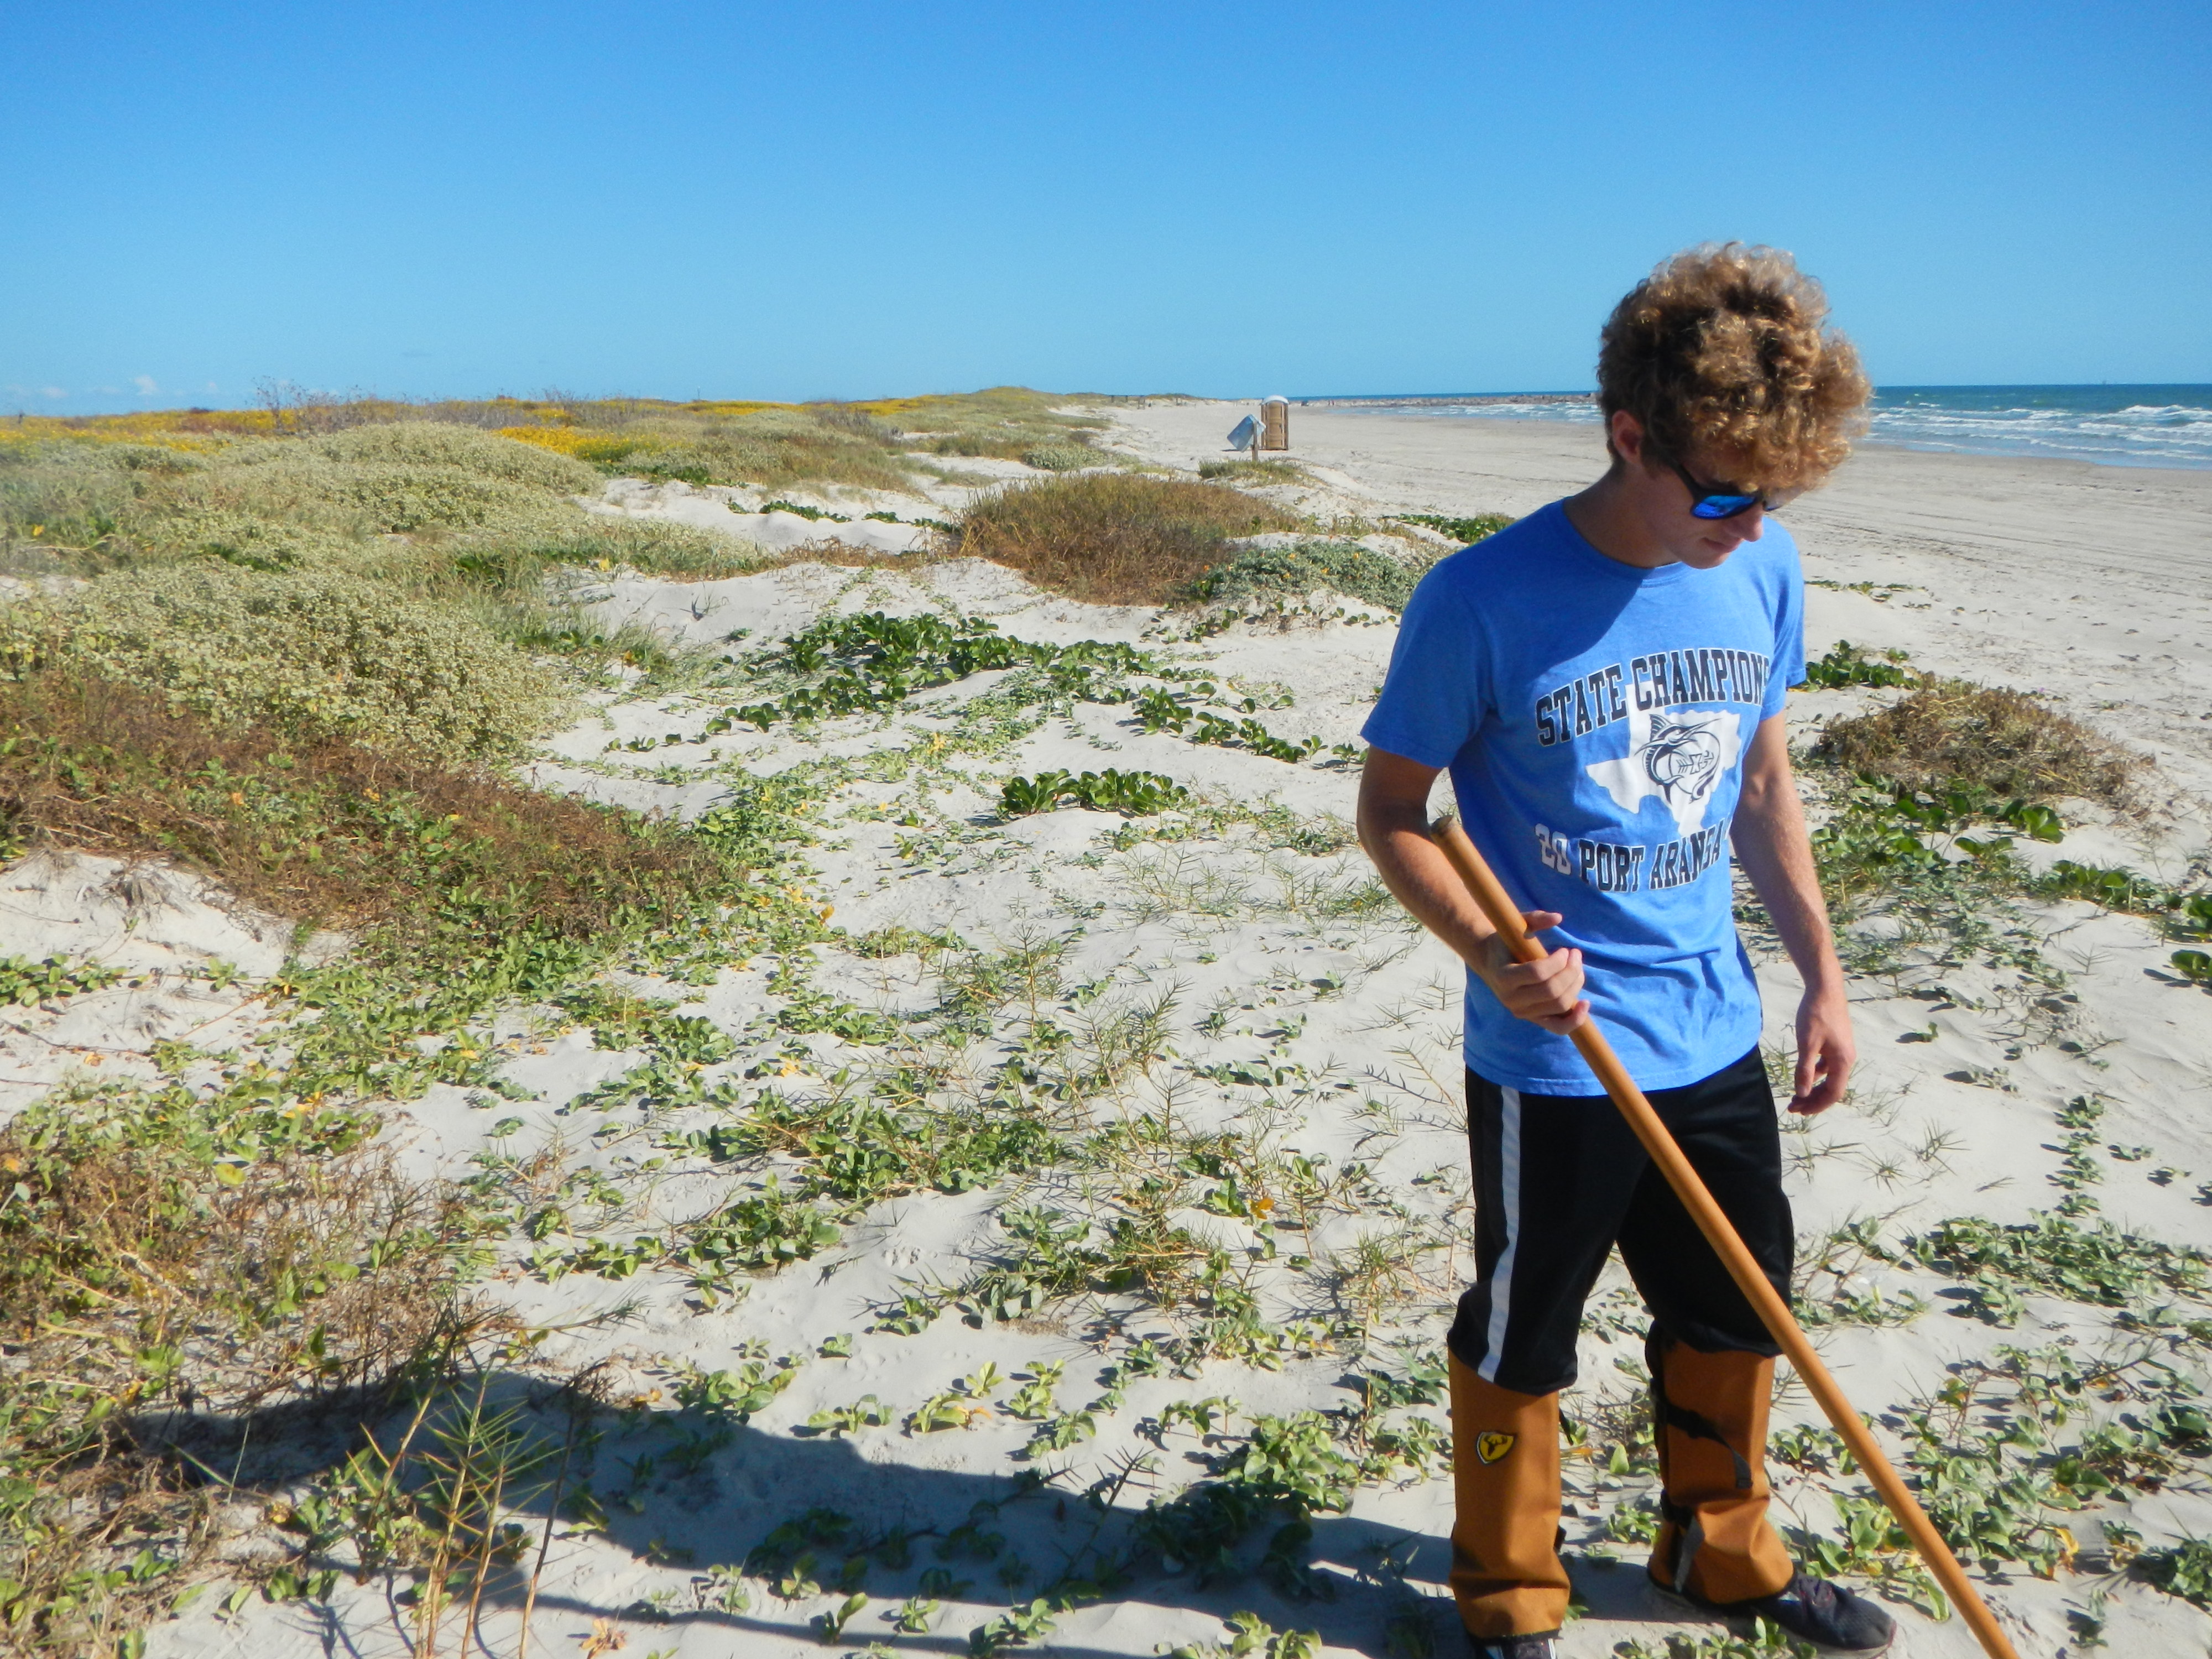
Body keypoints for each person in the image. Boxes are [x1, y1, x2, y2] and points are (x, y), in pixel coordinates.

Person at [1357, 244, 1893, 1659]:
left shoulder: (1757, 564)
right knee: (1522, 1330)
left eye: (1772, 495)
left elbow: (1761, 786)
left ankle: (1718, 1555)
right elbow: (1393, 811)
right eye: (1720, 492)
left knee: (1736, 1307)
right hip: (1557, 1052)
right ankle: (1506, 1596)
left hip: (1708, 1026)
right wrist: (1491, 955)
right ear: (1628, 437)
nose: (1747, 522)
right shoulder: (1479, 599)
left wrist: (1822, 979)